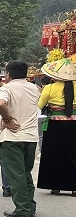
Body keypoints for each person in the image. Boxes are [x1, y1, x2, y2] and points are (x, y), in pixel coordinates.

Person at [0, 60, 40, 217]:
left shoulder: (6, 88)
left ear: (8, 74)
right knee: (25, 172)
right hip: (31, 137)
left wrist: (7, 118)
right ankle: (30, 205)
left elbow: (0, 103)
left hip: (12, 137)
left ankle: (22, 209)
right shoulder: (35, 88)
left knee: (16, 174)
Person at [36, 57, 76, 196]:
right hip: (74, 125)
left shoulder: (49, 88)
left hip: (55, 126)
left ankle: (55, 186)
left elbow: (39, 106)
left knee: (54, 156)